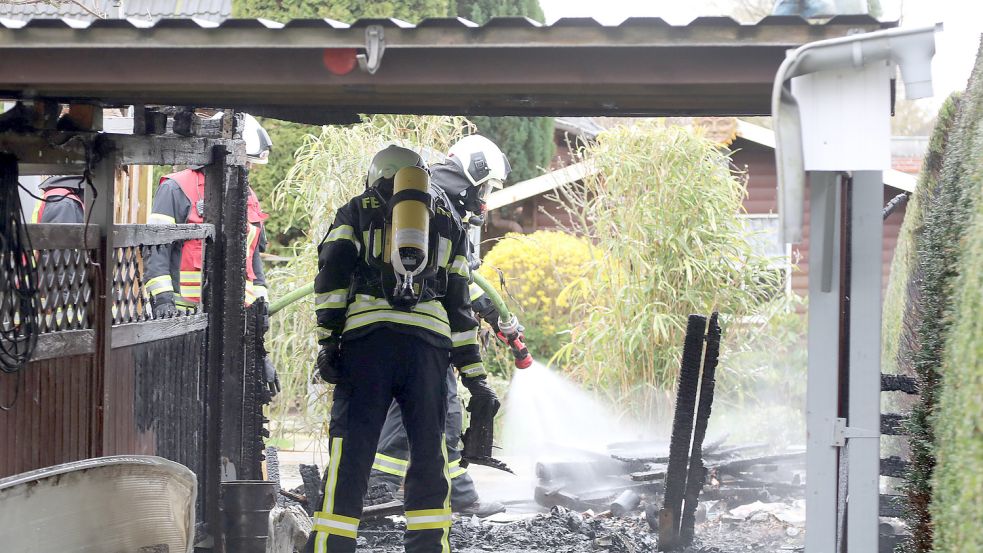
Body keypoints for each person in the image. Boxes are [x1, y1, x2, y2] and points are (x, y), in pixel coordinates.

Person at [306, 145, 486, 553]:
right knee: (429, 455)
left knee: (350, 454)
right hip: (428, 349)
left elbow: (331, 275)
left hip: (368, 344)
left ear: (376, 175)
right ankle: (428, 547)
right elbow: (461, 304)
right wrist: (474, 375)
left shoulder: (356, 209)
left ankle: (332, 547)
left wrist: (329, 340)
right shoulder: (449, 220)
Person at [366, 135, 513, 518]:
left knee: (420, 416)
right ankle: (438, 496)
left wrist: (491, 312)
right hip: (424, 335)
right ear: (474, 173)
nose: (485, 196)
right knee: (435, 415)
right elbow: (454, 289)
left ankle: (387, 491)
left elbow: (449, 280)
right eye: (487, 186)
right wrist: (474, 370)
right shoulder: (442, 209)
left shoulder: (422, 199)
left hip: (389, 333)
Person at [144, 113, 279, 393]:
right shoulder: (176, 188)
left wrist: (260, 313)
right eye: (247, 162)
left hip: (235, 321)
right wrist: (163, 301)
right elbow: (156, 250)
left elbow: (253, 261)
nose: (248, 170)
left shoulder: (247, 196)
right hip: (184, 317)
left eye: (251, 164)